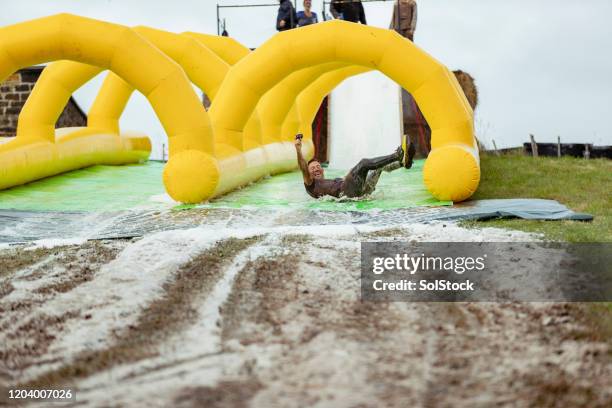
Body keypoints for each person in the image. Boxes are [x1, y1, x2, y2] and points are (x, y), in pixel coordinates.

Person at [294, 134, 410, 199]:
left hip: (359, 192)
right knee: (364, 163)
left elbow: (348, 181)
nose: (316, 169)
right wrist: (298, 149)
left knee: (377, 169)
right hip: (346, 193)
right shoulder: (311, 184)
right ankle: (397, 155)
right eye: (312, 168)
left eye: (317, 166)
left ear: (323, 169)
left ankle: (403, 163)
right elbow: (303, 167)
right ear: (308, 174)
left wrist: (349, 175)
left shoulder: (329, 182)